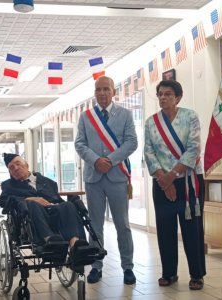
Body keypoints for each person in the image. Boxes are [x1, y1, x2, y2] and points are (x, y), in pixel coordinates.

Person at [75, 75, 138, 284]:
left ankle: (128, 267)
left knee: (122, 224)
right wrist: (95, 161)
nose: (101, 93)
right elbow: (79, 144)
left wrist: (109, 160)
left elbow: (131, 143)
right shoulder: (86, 117)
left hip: (117, 176)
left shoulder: (125, 115)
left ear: (113, 91)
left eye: (106, 89)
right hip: (94, 178)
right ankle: (96, 265)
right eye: (98, 90)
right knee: (95, 224)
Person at [143, 80, 206, 290]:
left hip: (188, 182)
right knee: (165, 229)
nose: (163, 97)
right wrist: (163, 178)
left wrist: (173, 175)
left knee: (192, 229)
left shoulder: (190, 116)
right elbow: (148, 152)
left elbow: (194, 148)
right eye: (160, 94)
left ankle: (197, 274)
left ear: (178, 97)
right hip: (161, 183)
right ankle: (169, 273)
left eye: (168, 94)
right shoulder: (151, 122)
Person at [0, 153, 91, 255]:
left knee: (69, 205)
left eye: (18, 163)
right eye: (11, 168)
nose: (15, 168)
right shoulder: (8, 185)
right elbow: (3, 201)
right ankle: (50, 240)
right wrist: (28, 199)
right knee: (32, 204)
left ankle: (75, 245)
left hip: (53, 211)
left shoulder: (48, 182)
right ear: (10, 172)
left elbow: (58, 199)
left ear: (26, 165)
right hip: (30, 216)